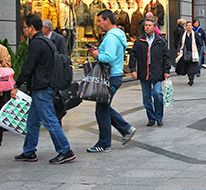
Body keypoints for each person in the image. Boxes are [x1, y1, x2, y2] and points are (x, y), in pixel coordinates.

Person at [11, 15, 75, 163]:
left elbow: (28, 66)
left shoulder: (36, 43)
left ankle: (65, 150)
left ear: (31, 28)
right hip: (44, 86)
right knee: (32, 121)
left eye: (25, 27)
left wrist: (17, 85)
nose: (24, 30)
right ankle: (29, 151)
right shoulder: (47, 41)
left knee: (50, 121)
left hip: (42, 88)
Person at [87, 10, 136, 153]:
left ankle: (105, 142)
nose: (98, 24)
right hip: (114, 76)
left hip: (110, 77)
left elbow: (109, 57)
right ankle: (125, 129)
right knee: (103, 107)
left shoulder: (111, 37)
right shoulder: (117, 35)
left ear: (107, 20)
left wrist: (97, 55)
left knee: (101, 109)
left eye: (100, 21)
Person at [129, 18, 171, 127]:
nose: (147, 27)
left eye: (150, 25)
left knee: (158, 93)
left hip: (157, 71)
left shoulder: (160, 41)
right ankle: (151, 118)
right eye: (146, 25)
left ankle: (159, 117)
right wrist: (133, 69)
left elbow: (166, 56)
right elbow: (133, 56)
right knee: (146, 98)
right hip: (144, 71)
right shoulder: (139, 41)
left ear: (154, 27)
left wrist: (167, 70)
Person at [176, 21, 203, 86]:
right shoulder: (183, 35)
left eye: (190, 25)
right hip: (185, 53)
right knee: (187, 66)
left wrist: (198, 51)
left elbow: (200, 43)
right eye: (187, 25)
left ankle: (191, 79)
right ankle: (190, 78)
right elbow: (180, 43)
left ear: (192, 27)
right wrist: (178, 51)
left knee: (192, 67)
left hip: (193, 53)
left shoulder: (195, 34)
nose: (189, 27)